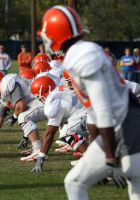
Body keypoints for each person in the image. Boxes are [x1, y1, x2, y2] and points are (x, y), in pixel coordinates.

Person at [39, 5, 140, 199]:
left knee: (135, 187)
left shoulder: (83, 56)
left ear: (54, 34)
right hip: (115, 128)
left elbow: (102, 109)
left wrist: (110, 159)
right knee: (74, 182)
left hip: (128, 128)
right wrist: (96, 150)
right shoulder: (78, 54)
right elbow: (93, 112)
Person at [0, 71, 47, 167]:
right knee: (23, 116)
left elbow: (21, 106)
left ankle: (37, 150)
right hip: (38, 103)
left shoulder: (7, 84)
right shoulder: (1, 97)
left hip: (44, 99)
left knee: (23, 116)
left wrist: (14, 117)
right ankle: (37, 148)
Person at [30, 75, 89, 171]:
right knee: (68, 130)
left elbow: (50, 133)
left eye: (39, 96)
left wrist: (41, 156)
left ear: (45, 90)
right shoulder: (58, 90)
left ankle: (90, 158)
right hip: (89, 110)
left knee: (67, 132)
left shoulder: (54, 100)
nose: (40, 100)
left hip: (88, 114)